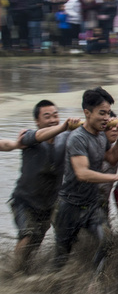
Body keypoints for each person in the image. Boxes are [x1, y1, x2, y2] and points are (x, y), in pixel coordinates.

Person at [53, 88, 118, 275]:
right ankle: (52, 282)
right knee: (61, 256)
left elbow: (112, 159)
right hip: (70, 205)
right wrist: (117, 177)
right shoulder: (77, 138)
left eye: (108, 113)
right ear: (87, 113)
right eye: (102, 113)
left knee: (108, 240)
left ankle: (94, 283)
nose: (106, 118)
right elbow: (82, 173)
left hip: (91, 205)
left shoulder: (100, 136)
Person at [9, 101, 79, 271]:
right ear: (37, 121)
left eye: (55, 115)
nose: (52, 120)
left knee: (35, 245)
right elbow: (39, 136)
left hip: (48, 204)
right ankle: (12, 272)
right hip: (24, 202)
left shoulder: (66, 138)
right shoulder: (28, 136)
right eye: (47, 116)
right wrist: (63, 127)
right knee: (27, 235)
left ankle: (32, 273)